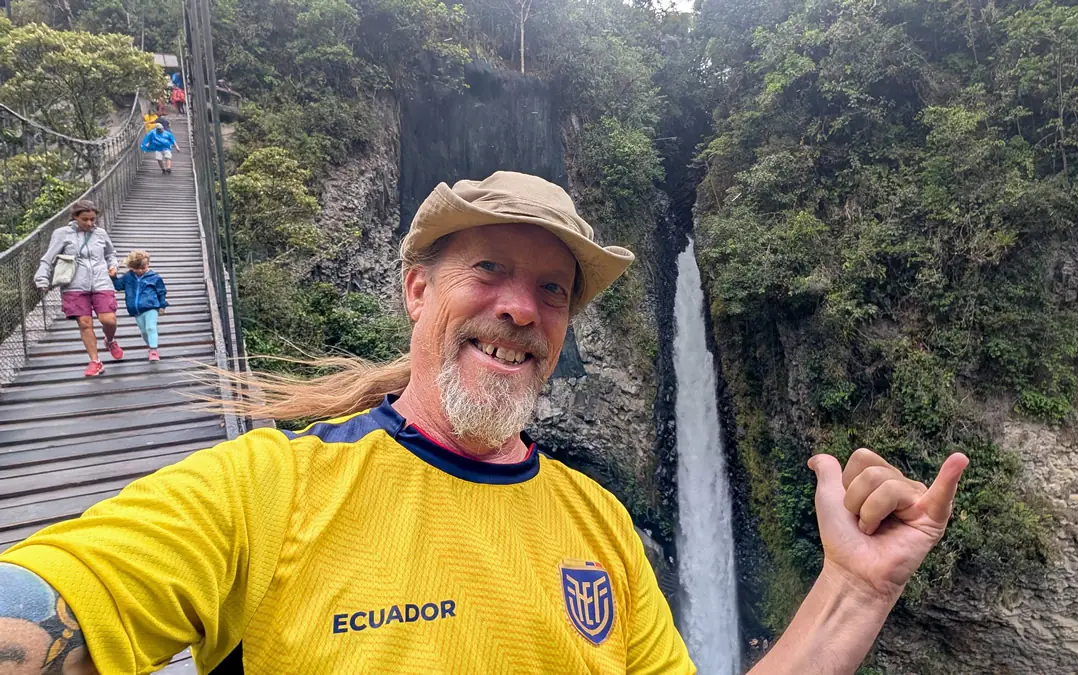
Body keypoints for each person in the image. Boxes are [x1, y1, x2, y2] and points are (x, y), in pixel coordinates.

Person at [0, 172, 968, 673]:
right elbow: (51, 599)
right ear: (418, 290)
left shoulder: (603, 527)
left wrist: (852, 591)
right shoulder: (265, 488)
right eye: (489, 272)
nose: (520, 307)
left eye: (552, 289)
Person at [32, 200, 124, 378]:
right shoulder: (61, 234)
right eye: (85, 219)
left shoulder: (100, 233)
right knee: (85, 323)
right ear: (75, 217)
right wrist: (42, 278)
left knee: (109, 320)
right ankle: (95, 362)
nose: (89, 223)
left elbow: (110, 254)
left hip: (101, 281)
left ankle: (110, 340)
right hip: (74, 284)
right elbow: (48, 258)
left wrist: (113, 266)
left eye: (92, 219)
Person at [110, 250, 168, 362]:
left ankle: (153, 350)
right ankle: (150, 346)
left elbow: (161, 291)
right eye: (137, 268)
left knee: (151, 327)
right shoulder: (128, 277)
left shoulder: (154, 277)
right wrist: (114, 277)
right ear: (131, 267)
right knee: (144, 331)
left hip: (151, 306)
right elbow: (118, 286)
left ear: (148, 265)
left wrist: (162, 305)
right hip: (136, 309)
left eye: (143, 268)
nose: (140, 271)